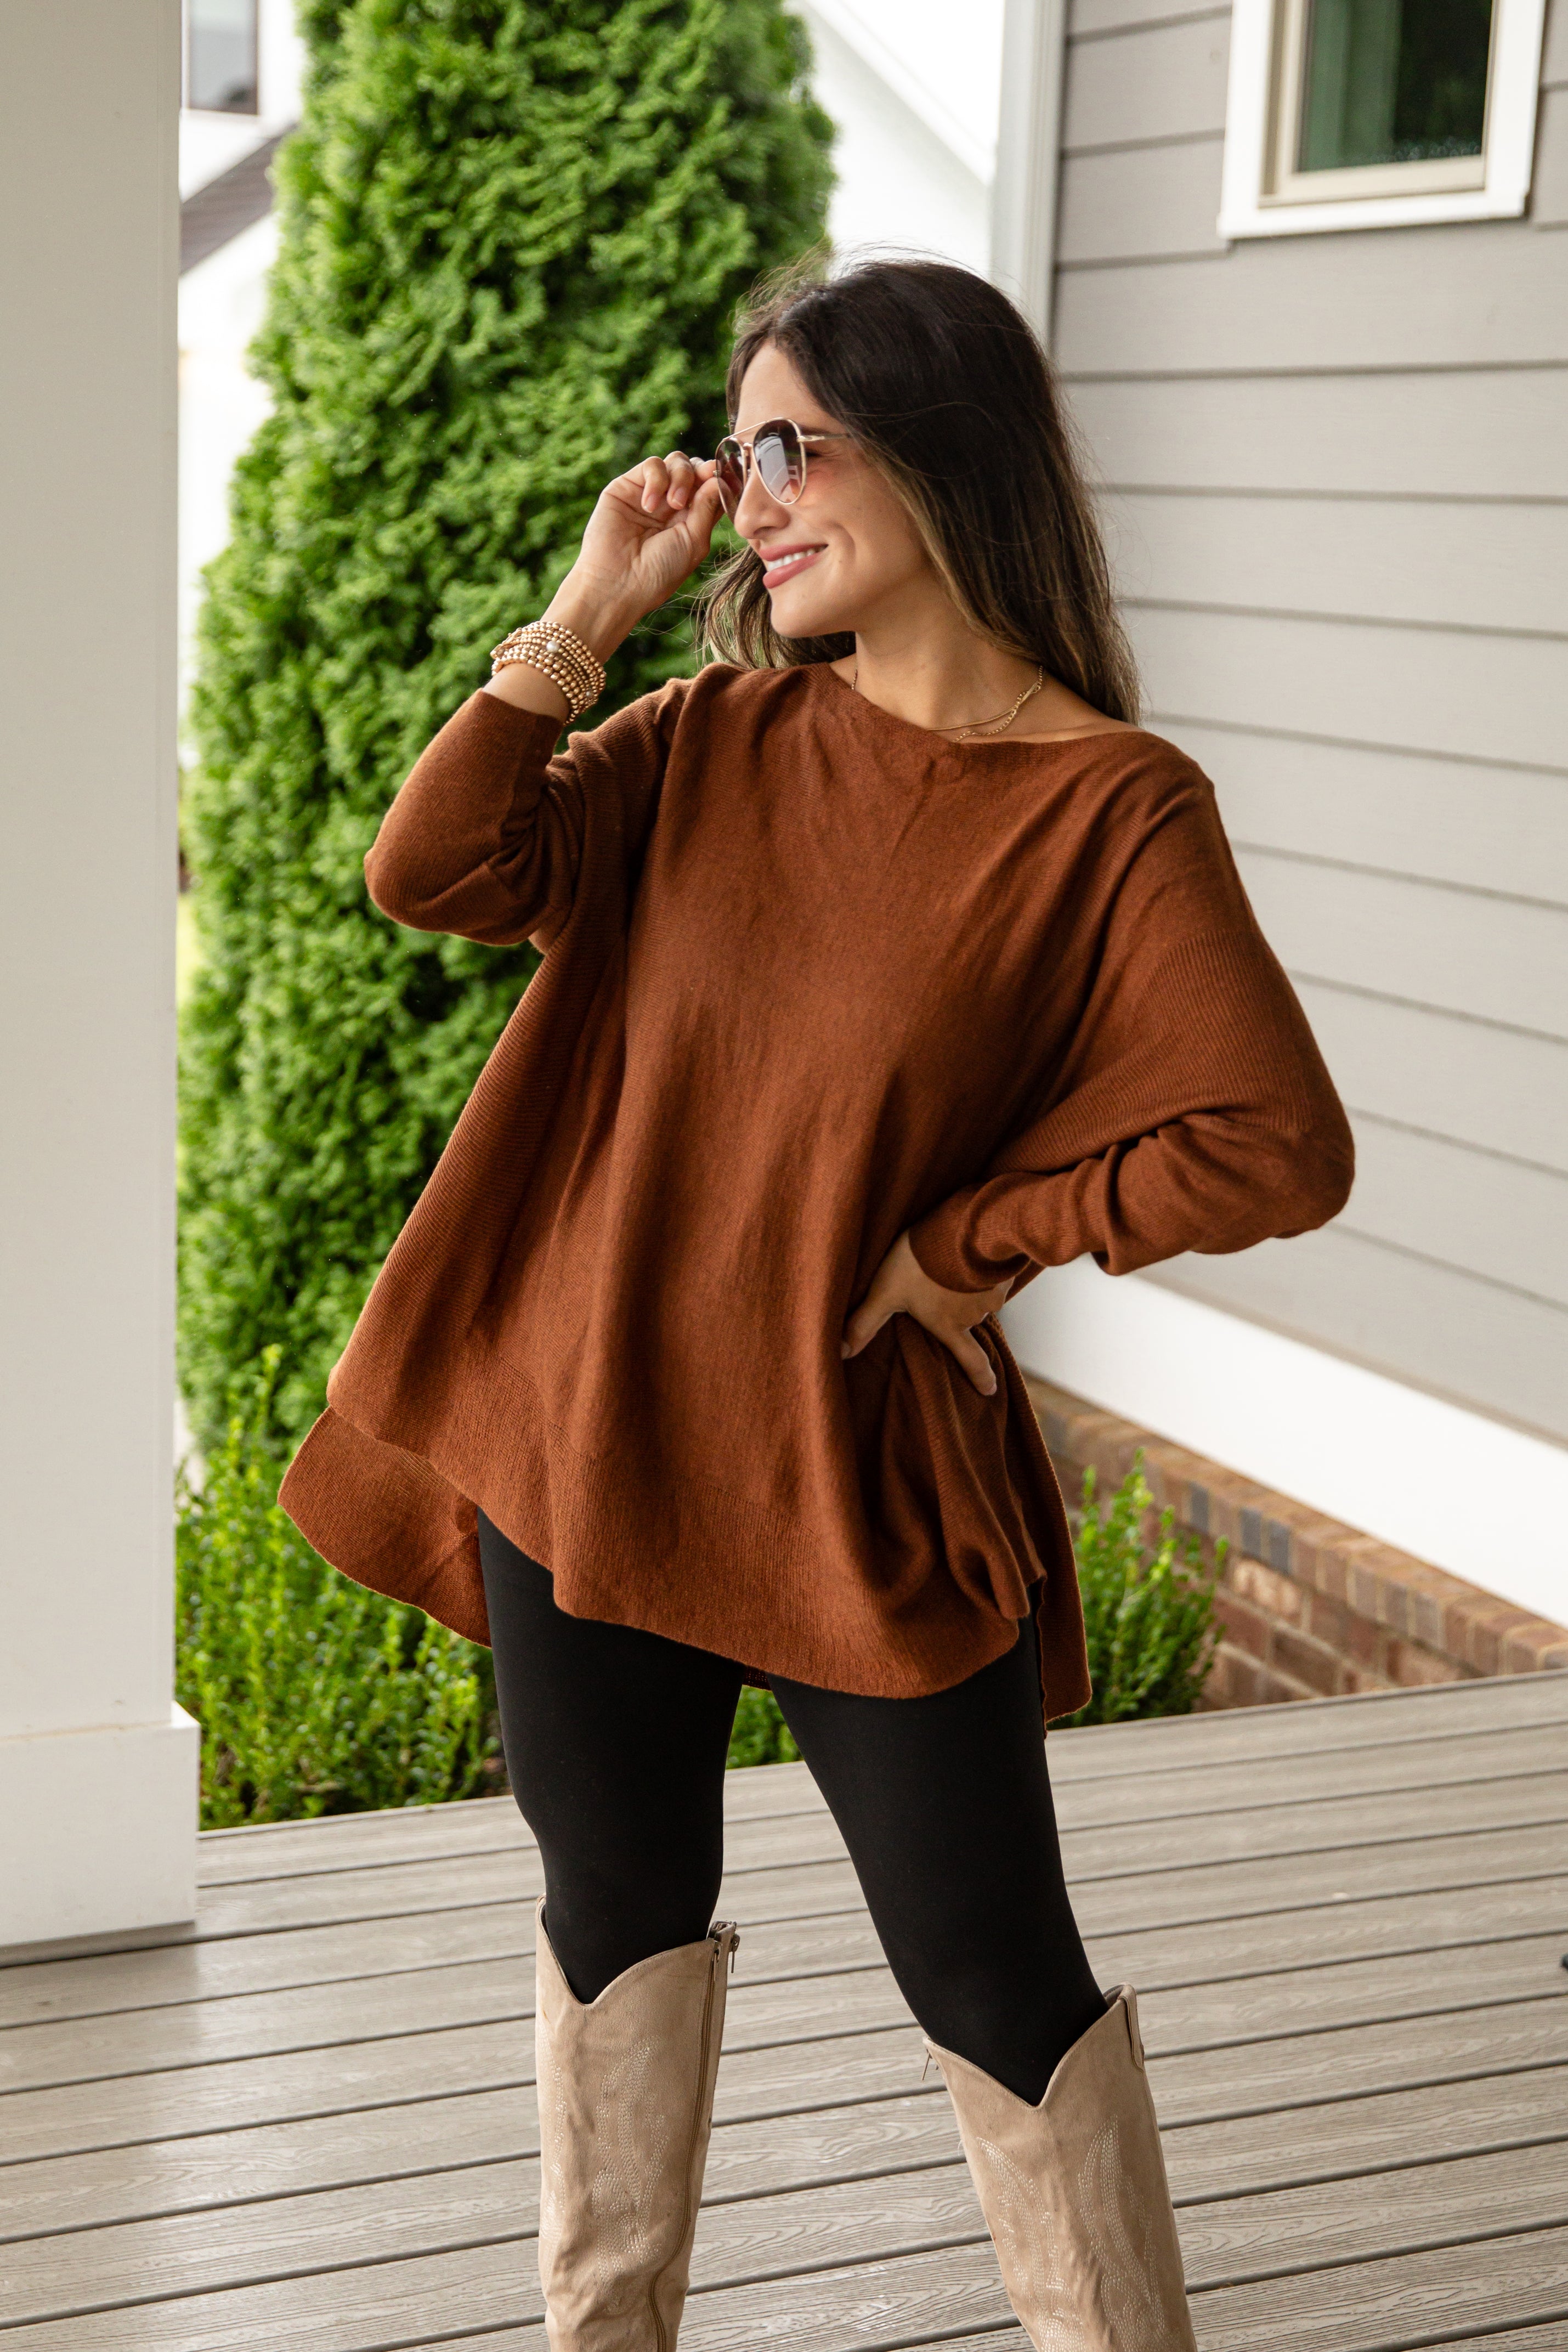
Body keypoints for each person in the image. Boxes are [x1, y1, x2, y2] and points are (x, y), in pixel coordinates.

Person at [281, 257, 1354, 2350]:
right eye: (739, 448)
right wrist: (584, 621)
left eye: (791, 447)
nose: (750, 496)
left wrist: (970, 1248)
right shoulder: (704, 737)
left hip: (846, 1464)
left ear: (942, 458)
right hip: (580, 1436)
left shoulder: (1108, 810)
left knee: (994, 1975)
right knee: (613, 1921)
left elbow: (1269, 1142)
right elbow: (434, 873)